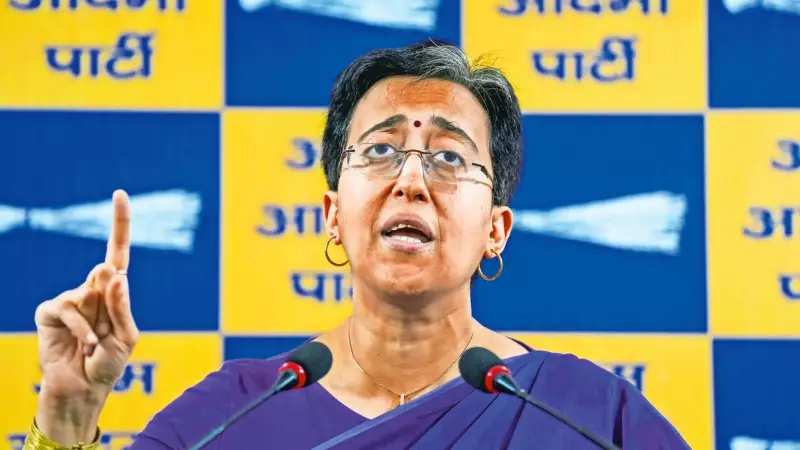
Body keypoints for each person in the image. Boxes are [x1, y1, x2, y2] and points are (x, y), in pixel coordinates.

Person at [25, 40, 690, 450]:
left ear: (496, 229)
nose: (410, 180)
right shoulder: (232, 414)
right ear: (332, 216)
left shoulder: (586, 414)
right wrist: (66, 418)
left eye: (449, 157)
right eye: (379, 151)